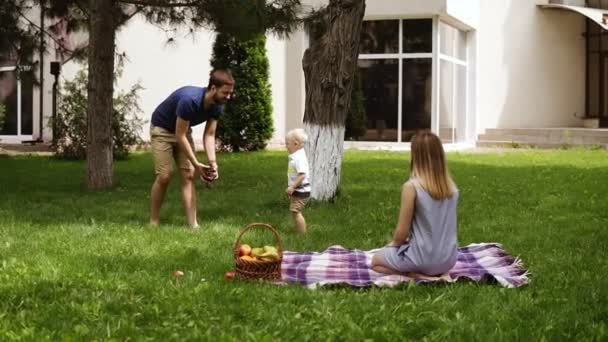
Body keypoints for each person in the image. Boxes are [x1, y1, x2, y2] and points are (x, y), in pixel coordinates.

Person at [149, 69, 235, 228]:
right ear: (213, 88)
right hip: (162, 129)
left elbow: (209, 135)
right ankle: (154, 221)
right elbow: (179, 135)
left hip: (182, 129)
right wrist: (196, 164)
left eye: (230, 93)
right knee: (165, 176)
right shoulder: (190, 100)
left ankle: (193, 225)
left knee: (188, 175)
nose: (228, 97)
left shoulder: (218, 105)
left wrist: (213, 163)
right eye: (225, 92)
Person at [371, 131, 459, 277]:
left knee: (376, 261)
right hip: (448, 260)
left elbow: (402, 233)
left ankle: (415, 275)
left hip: (422, 259)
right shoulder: (452, 189)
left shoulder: (411, 187)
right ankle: (431, 274)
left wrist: (392, 245)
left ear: (416, 157)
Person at [285, 128, 311, 234]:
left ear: (296, 144)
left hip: (302, 190)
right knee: (295, 211)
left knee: (296, 211)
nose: (286, 146)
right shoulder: (296, 156)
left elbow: (302, 175)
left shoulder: (298, 158)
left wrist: (292, 187)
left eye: (287, 144)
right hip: (298, 190)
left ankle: (302, 234)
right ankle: (299, 231)